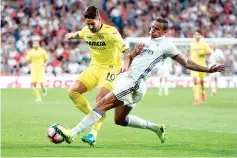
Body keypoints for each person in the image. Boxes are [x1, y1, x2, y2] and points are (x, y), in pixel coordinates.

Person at [55, 17, 225, 145]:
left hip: (133, 83)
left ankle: (72, 133)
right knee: (119, 120)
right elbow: (129, 59)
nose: (152, 31)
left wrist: (208, 69)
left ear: (164, 32)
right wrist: (132, 56)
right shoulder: (144, 43)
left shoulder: (167, 45)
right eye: (152, 28)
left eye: (157, 29)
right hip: (129, 80)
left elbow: (186, 62)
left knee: (101, 104)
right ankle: (157, 128)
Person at [64, 6, 137, 145]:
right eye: (87, 24)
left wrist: (126, 65)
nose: (90, 27)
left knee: (100, 100)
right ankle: (94, 115)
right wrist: (71, 35)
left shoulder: (111, 32)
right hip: (94, 69)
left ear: (99, 19)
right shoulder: (86, 30)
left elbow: (127, 52)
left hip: (110, 70)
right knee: (72, 92)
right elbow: (79, 33)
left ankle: (93, 133)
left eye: (92, 23)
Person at [189, 30, 212, 106]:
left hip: (202, 66)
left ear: (201, 36)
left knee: (201, 82)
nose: (196, 36)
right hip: (194, 66)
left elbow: (210, 52)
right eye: (195, 35)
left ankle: (203, 92)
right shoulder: (192, 45)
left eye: (198, 34)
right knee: (195, 81)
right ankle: (196, 98)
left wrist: (202, 53)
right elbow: (190, 54)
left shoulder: (204, 44)